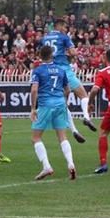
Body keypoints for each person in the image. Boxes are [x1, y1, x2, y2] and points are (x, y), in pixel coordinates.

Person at [40, 18, 96, 144]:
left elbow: (42, 53)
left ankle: (74, 130)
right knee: (83, 95)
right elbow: (73, 52)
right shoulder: (64, 37)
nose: (65, 29)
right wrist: (74, 53)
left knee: (62, 103)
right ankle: (86, 117)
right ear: (59, 26)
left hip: (50, 70)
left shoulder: (44, 38)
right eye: (64, 27)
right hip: (63, 68)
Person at [30, 45, 77, 181]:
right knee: (63, 137)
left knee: (36, 138)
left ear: (40, 56)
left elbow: (34, 90)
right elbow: (68, 90)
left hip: (45, 105)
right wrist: (63, 100)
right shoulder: (61, 70)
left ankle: (46, 166)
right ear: (52, 55)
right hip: (60, 104)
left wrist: (33, 108)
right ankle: (71, 164)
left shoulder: (38, 71)